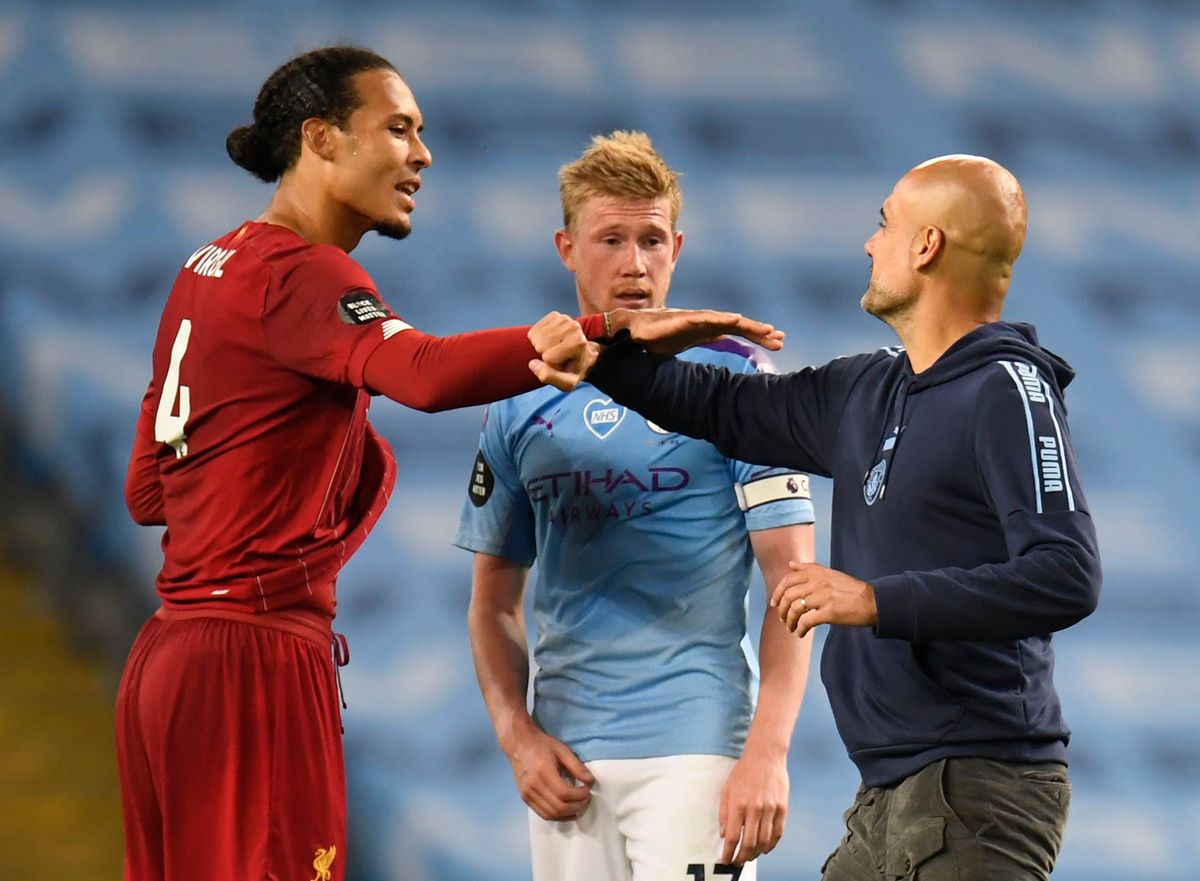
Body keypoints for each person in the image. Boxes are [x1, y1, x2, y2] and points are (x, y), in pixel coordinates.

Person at [116, 47, 782, 881]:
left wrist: (297, 459)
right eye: (397, 129)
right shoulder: (304, 273)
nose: (422, 154)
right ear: (322, 139)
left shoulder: (203, 268)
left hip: (167, 659)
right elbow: (424, 376)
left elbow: (148, 488)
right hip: (252, 658)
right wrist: (600, 336)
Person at [529, 155, 1102, 880]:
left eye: (885, 223)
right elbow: (720, 406)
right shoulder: (867, 387)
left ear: (926, 246)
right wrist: (608, 345)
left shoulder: (1008, 388)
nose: (870, 242)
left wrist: (872, 599)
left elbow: (1067, 574)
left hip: (981, 782)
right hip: (891, 792)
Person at [454, 131, 817, 881]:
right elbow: (492, 603)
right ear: (565, 247)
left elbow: (795, 588)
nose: (634, 262)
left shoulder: (738, 381)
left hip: (698, 751)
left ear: (677, 247)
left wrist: (767, 753)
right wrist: (518, 736)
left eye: (651, 239)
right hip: (567, 767)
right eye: (610, 238)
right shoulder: (521, 398)